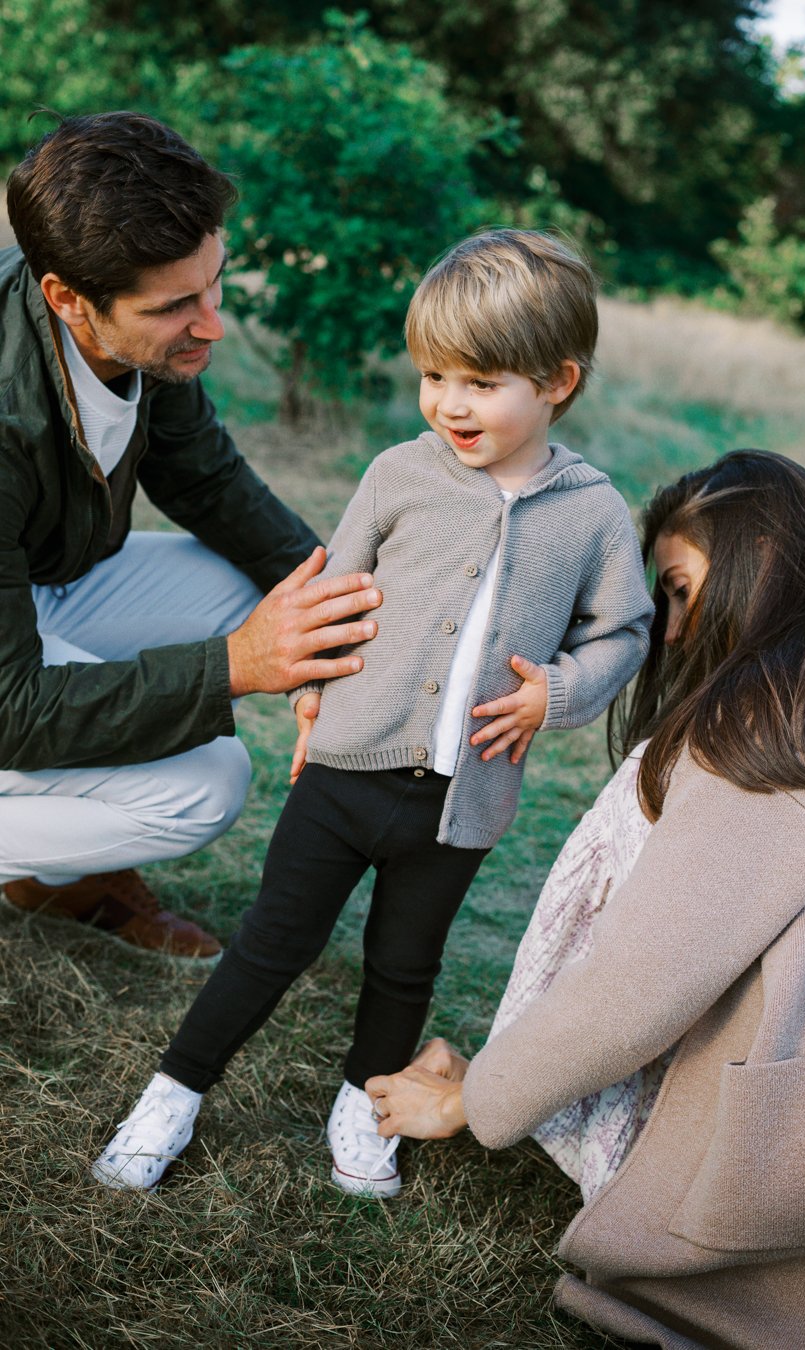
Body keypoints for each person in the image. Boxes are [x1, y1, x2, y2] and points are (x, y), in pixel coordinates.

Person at [90, 228, 655, 1197]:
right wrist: (311, 686)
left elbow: (625, 637)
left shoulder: (594, 514)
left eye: (481, 382)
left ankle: (365, 1104)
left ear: (558, 380)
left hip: (460, 805)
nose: (450, 403)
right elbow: (331, 587)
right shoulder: (400, 475)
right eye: (435, 376)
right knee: (275, 940)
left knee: (404, 966)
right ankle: (174, 1092)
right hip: (347, 771)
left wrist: (555, 691)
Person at [365, 450, 805, 1349]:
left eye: (683, 591)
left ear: (761, 554)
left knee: (644, 790)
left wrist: (479, 1098)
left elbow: (651, 966)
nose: (678, 633)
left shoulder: (799, 694)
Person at [0, 111, 380, 959]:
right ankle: (58, 859)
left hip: (32, 588)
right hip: (2, 681)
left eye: (214, 285)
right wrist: (237, 667)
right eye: (176, 306)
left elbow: (207, 480)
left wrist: (347, 617)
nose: (210, 323)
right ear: (65, 296)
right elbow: (9, 710)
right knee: (205, 785)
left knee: (270, 591)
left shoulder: (130, 338)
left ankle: (52, 875)